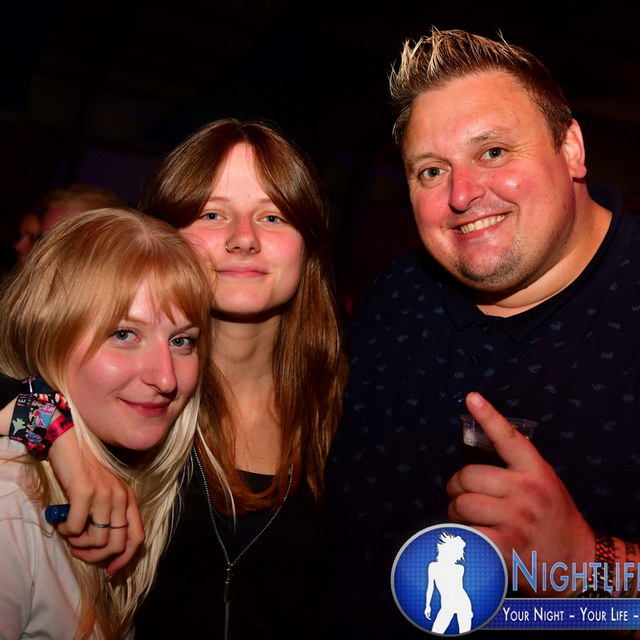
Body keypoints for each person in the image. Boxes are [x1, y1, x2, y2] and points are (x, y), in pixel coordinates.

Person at [326, 28, 640, 638]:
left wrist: (585, 566)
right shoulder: (396, 296)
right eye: (431, 170)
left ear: (572, 149)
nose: (462, 195)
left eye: (493, 152)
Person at [132, 118, 347, 639]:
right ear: (162, 236)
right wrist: (58, 438)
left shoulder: (349, 400)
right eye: (212, 214)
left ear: (307, 245)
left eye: (272, 217)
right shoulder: (126, 381)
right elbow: (19, 382)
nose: (243, 239)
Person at [0, 207, 212, 639]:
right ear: (49, 335)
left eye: (181, 340)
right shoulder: (11, 506)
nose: (166, 378)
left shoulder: (161, 491)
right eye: (124, 334)